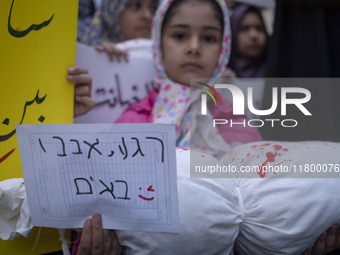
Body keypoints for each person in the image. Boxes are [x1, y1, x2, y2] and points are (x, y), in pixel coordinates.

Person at [115, 0, 262, 159]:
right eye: (180, 36)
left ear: (224, 47)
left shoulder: (241, 126)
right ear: (159, 43)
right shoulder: (130, 123)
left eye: (209, 38)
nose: (194, 47)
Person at [80, 0, 159, 62]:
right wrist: (100, 60)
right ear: (113, 9)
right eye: (136, 6)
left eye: (153, 8)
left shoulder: (162, 56)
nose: (147, 16)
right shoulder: (83, 57)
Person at [228, 4, 268, 78]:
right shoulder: (220, 75)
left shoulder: (278, 70)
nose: (254, 35)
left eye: (259, 28)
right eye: (245, 29)